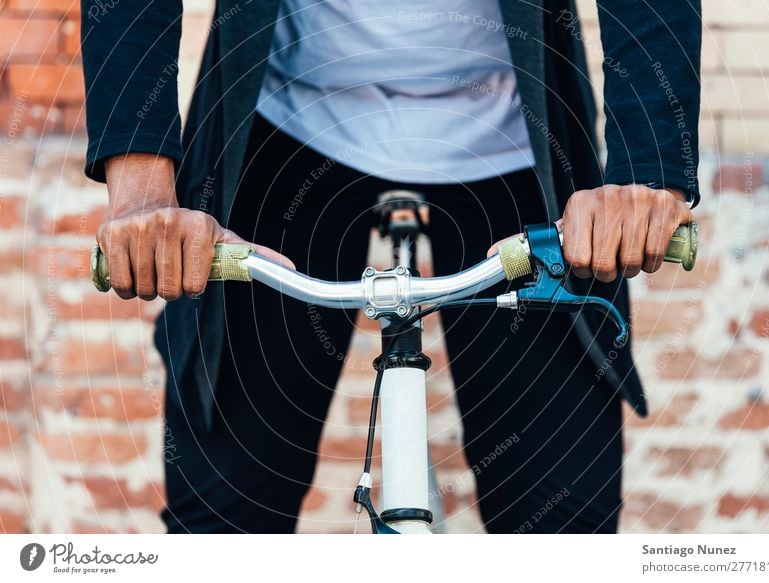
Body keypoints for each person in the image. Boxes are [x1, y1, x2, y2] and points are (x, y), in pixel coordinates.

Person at [80, 1, 701, 533]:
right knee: (221, 514)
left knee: (565, 514)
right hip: (289, 121)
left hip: (507, 130)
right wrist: (144, 197)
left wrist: (647, 178)